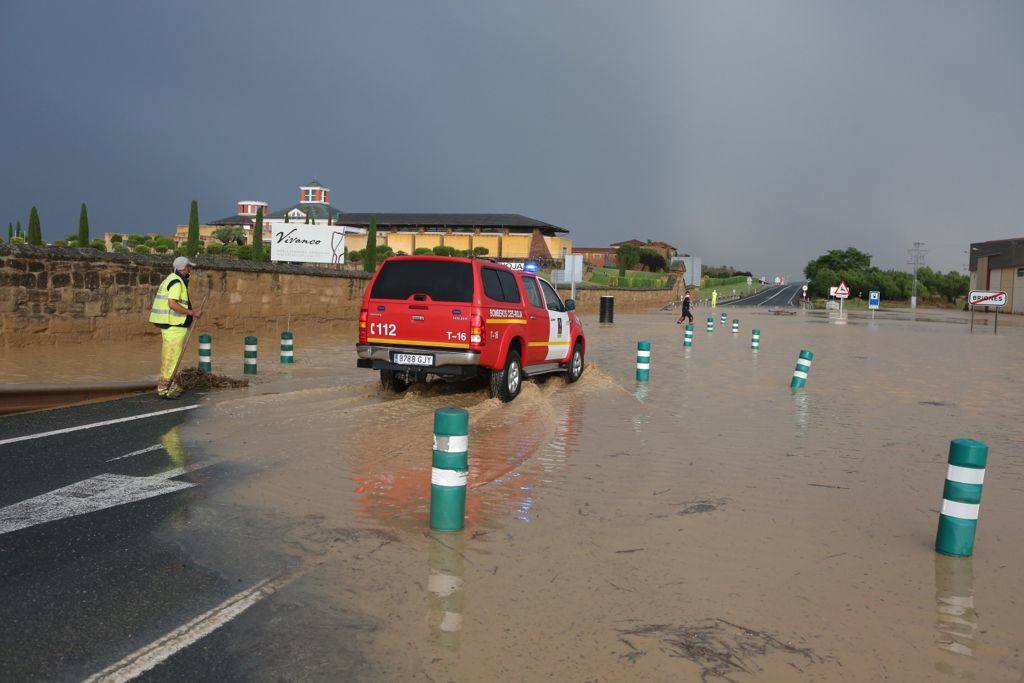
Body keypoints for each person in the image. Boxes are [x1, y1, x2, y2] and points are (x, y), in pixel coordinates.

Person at [149, 256, 202, 399]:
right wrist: (192, 312)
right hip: (173, 326)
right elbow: (172, 304)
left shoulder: (170, 279)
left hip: (170, 325)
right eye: (189, 267)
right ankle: (165, 387)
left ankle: (168, 384)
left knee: (169, 356)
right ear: (184, 268)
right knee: (172, 357)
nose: (190, 270)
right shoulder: (177, 283)